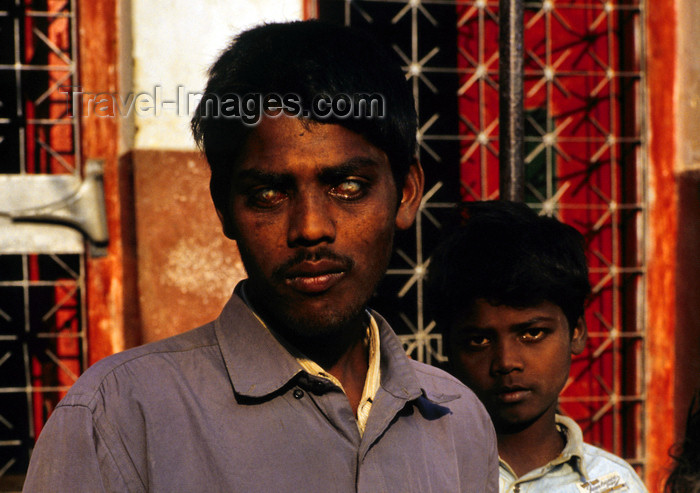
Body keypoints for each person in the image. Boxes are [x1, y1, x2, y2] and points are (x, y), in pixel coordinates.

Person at [23, 20, 498, 492]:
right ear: (222, 205)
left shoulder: (458, 422)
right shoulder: (119, 414)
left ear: (408, 192)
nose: (310, 228)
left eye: (348, 187)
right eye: (269, 193)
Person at [427, 201, 647, 493]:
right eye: (478, 340)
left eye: (532, 333)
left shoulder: (615, 484)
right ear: (448, 348)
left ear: (577, 332)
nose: (506, 362)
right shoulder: (421, 473)